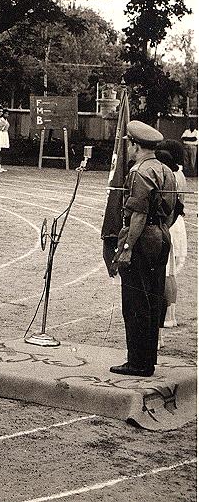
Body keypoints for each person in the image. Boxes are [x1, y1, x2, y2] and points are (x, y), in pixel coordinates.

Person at [110, 121, 176, 377]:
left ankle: (137, 362)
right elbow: (173, 209)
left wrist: (127, 247)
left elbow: (137, 215)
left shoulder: (139, 171)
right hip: (161, 235)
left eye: (129, 143)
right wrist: (160, 230)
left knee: (135, 301)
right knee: (152, 298)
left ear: (135, 145)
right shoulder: (165, 169)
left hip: (142, 237)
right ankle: (148, 359)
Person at [155, 140, 188, 330]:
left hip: (171, 222)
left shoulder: (170, 175)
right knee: (171, 273)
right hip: (178, 222)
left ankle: (167, 315)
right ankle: (171, 314)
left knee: (166, 272)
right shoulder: (180, 173)